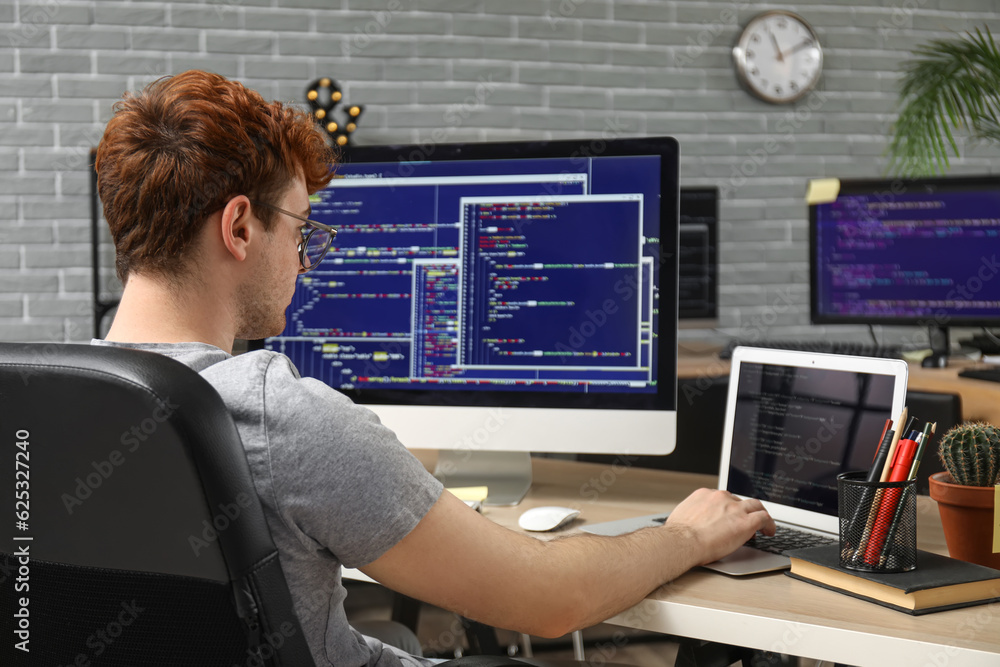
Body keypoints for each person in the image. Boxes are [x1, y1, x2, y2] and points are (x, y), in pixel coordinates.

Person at [94, 70, 775, 667]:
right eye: (302, 231)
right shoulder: (278, 416)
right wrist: (684, 534)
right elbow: (549, 600)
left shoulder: (43, 402)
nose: (305, 262)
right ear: (240, 228)